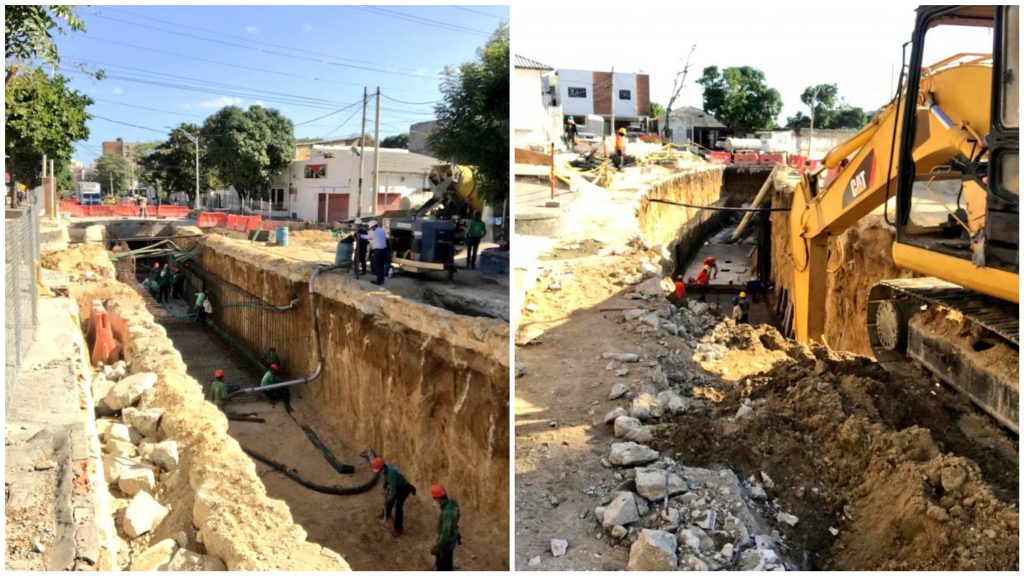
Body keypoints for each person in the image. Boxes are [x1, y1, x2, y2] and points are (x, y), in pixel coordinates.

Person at [371, 457, 416, 535]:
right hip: (397, 485)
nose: (378, 473)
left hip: (404, 488)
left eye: (379, 471)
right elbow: (387, 478)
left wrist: (388, 499)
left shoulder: (390, 474)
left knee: (398, 507)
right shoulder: (387, 466)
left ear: (382, 467)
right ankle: (386, 514)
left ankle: (398, 530)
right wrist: (385, 485)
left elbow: (393, 490)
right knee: (390, 500)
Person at [431, 484, 460, 571]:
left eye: (434, 498)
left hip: (447, 541)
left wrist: (437, 546)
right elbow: (458, 515)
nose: (435, 500)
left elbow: (445, 534)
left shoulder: (446, 513)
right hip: (453, 537)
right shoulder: (453, 503)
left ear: (439, 498)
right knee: (447, 559)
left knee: (445, 562)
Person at [368, 219, 390, 286]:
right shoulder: (382, 230)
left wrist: (360, 236)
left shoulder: (374, 232)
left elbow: (367, 237)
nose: (371, 229)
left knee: (378, 267)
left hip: (378, 251)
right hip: (384, 250)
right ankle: (382, 280)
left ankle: (379, 281)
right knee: (382, 267)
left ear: (373, 227)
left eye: (371, 228)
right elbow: (386, 239)